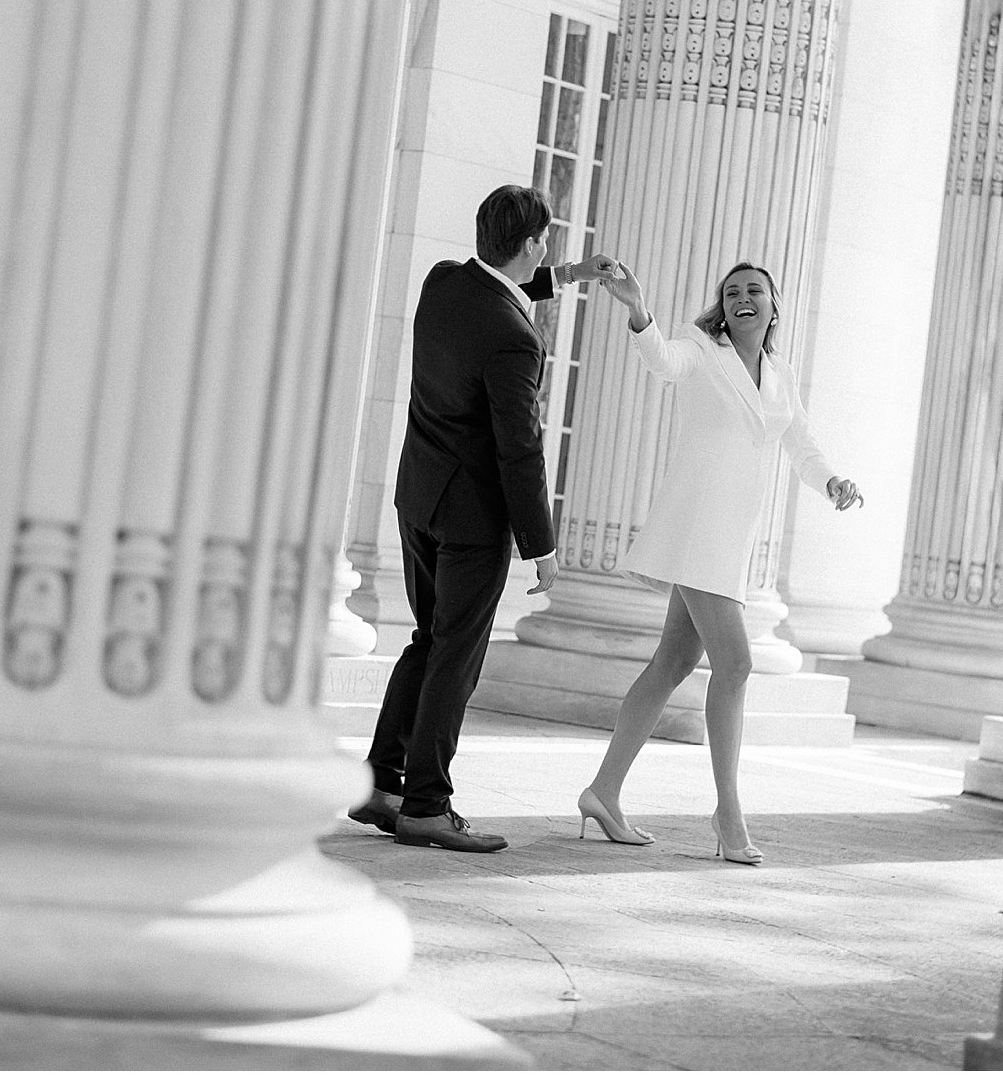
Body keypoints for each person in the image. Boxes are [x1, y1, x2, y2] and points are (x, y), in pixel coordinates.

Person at [350, 185, 613, 853]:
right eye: (545, 242)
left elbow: (493, 289)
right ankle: (427, 806)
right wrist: (542, 546)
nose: (545, 250)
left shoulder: (443, 284)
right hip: (472, 520)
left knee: (426, 642)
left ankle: (381, 783)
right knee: (456, 659)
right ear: (532, 244)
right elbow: (518, 447)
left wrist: (572, 276)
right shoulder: (514, 339)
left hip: (419, 499)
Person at [574, 258, 860, 866]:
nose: (742, 298)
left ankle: (602, 791)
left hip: (731, 537)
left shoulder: (780, 374)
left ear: (774, 304)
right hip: (696, 527)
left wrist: (832, 480)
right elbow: (662, 360)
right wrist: (637, 309)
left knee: (672, 662)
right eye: (732, 292)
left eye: (755, 290)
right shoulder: (700, 347)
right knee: (736, 663)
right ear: (722, 306)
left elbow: (801, 444)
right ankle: (728, 811)